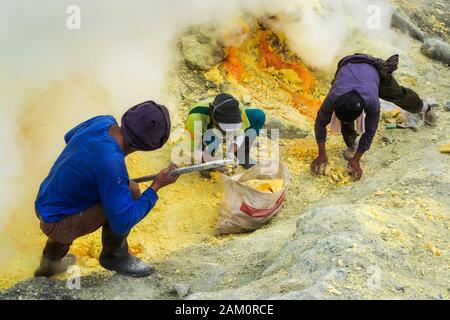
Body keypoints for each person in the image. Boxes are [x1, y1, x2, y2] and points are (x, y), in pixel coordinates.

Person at [34, 101, 179, 278]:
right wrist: (156, 186)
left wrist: (92, 175)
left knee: (122, 188)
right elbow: (122, 221)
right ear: (148, 147)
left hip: (45, 201)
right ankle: (115, 256)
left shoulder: (102, 121)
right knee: (131, 192)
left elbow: (69, 137)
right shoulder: (111, 163)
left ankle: (48, 266)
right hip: (58, 223)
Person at [311, 53, 437, 180]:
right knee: (345, 118)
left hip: (373, 70)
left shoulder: (371, 102)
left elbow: (370, 130)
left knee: (397, 95)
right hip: (348, 65)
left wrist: (357, 160)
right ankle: (353, 142)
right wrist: (321, 154)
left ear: (361, 113)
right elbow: (320, 122)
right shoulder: (334, 97)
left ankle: (424, 107)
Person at [185, 93, 266, 177]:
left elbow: (240, 133)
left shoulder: (237, 109)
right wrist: (215, 163)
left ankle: (241, 154)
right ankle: (205, 163)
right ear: (214, 119)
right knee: (210, 143)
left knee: (259, 116)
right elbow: (192, 150)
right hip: (206, 131)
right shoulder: (195, 117)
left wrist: (231, 152)